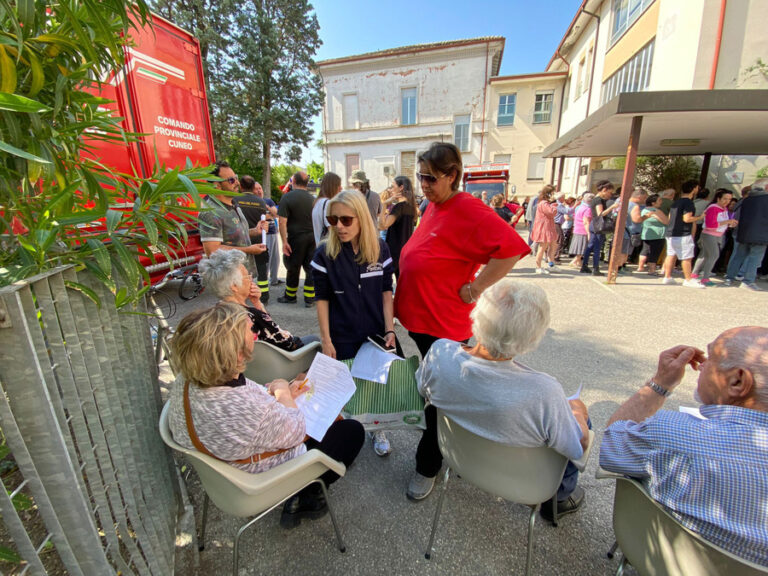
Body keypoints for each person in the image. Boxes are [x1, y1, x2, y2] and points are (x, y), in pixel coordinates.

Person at [393, 142, 530, 501]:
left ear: (453, 176)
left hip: (444, 324)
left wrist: (477, 287)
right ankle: (454, 443)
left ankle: (428, 466)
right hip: (421, 319)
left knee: (442, 395)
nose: (422, 184)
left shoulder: (468, 207)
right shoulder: (433, 204)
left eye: (430, 178)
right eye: (419, 177)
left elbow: (512, 249)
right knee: (437, 385)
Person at [167, 302, 364, 529]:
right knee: (351, 432)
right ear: (235, 353)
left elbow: (249, 404)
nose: (254, 334)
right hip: (256, 482)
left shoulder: (187, 380)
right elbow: (296, 429)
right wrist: (282, 391)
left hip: (221, 470)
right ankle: (307, 495)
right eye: (249, 332)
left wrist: (282, 392)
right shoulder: (246, 409)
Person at [418, 280, 590, 517]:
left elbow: (422, 389)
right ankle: (559, 499)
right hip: (524, 481)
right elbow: (577, 448)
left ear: (477, 314)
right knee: (578, 418)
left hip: (460, 459)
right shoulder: (544, 391)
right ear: (531, 338)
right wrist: (579, 411)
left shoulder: (440, 352)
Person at [600, 326, 768, 567]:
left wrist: (661, 383)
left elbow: (612, 443)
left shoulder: (672, 434)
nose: (701, 365)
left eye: (711, 358)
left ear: (738, 381)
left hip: (658, 562)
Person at [311, 190, 398, 457]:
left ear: (361, 217)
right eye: (332, 219)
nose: (338, 226)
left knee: (375, 385)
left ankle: (376, 428)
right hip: (342, 334)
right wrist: (326, 339)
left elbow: (386, 292)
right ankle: (347, 430)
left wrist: (390, 329)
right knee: (345, 387)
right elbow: (322, 298)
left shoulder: (379, 248)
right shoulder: (325, 252)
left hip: (374, 333)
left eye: (346, 220)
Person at [199, 250, 317, 351]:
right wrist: (258, 306)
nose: (251, 280)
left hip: (246, 369)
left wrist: (256, 302)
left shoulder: (215, 314)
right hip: (276, 365)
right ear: (234, 286)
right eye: (247, 276)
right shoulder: (252, 316)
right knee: (314, 340)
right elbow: (287, 343)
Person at [197, 161, 267, 278]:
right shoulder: (211, 212)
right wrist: (248, 250)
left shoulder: (234, 204)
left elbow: (232, 236)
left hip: (244, 275)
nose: (237, 183)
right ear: (217, 185)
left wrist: (255, 231)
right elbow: (213, 251)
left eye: (236, 178)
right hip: (229, 279)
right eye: (231, 180)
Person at [278, 171, 316, 307]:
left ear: (293, 181)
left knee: (293, 267)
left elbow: (282, 222)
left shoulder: (287, 198)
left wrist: (284, 242)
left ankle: (290, 296)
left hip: (296, 238)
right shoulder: (313, 199)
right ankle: (310, 298)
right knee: (310, 267)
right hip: (312, 238)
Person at [234, 176, 273, 303]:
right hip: (259, 240)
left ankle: (242, 296)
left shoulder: (235, 200)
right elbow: (266, 218)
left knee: (242, 269)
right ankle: (264, 296)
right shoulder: (261, 202)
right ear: (253, 187)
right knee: (261, 269)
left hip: (241, 241)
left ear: (241, 186)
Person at [724, 179, 768, 291]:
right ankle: (748, 281)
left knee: (738, 256)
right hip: (761, 234)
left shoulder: (746, 200)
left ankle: (729, 278)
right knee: (754, 258)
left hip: (744, 233)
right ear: (766, 187)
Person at [662, 179, 705, 288]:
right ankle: (688, 279)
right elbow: (687, 218)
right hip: (683, 233)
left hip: (671, 232)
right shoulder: (689, 203)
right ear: (694, 188)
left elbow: (670, 218)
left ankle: (667, 276)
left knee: (671, 255)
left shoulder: (676, 202)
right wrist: (700, 217)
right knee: (687, 257)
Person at [691, 189, 736, 285]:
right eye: (725, 198)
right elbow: (711, 225)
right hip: (709, 234)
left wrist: (730, 223)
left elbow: (719, 223)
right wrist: (728, 222)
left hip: (715, 235)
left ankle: (694, 274)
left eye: (729, 199)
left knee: (704, 255)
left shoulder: (723, 208)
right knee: (713, 255)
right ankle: (705, 278)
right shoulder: (713, 208)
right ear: (718, 198)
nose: (727, 201)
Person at [378, 176, 417, 280]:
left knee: (386, 285)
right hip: (405, 252)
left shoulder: (399, 207)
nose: (390, 189)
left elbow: (382, 225)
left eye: (392, 186)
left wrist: (385, 204)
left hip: (395, 253)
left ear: (401, 188)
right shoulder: (411, 207)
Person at [582, 180, 620, 276]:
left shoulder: (595, 199)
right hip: (598, 225)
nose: (610, 194)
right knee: (597, 247)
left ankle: (585, 265)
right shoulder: (598, 200)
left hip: (594, 224)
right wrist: (612, 207)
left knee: (590, 245)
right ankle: (595, 268)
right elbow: (600, 214)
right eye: (609, 192)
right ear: (604, 190)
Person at [637, 193, 669, 275]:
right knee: (655, 252)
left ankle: (640, 267)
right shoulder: (657, 211)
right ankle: (652, 270)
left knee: (645, 251)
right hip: (657, 235)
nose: (661, 202)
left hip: (646, 234)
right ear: (653, 203)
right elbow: (666, 222)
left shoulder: (644, 210)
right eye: (659, 200)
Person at [531, 185, 559, 274]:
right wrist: (554, 205)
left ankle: (551, 264)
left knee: (553, 246)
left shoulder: (545, 203)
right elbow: (551, 213)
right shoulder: (543, 203)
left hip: (549, 227)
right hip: (544, 228)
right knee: (543, 248)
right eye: (553, 193)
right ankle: (538, 266)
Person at [312, 172, 342, 246]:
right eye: (339, 185)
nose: (341, 188)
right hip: (329, 248)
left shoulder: (317, 202)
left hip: (320, 246)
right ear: (333, 187)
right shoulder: (328, 203)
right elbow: (332, 230)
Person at [568, 193, 592, 269]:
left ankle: (579, 262)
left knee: (579, 246)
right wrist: (588, 232)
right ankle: (574, 261)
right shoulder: (588, 209)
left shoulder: (580, 207)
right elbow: (586, 221)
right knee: (582, 247)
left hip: (577, 228)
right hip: (583, 229)